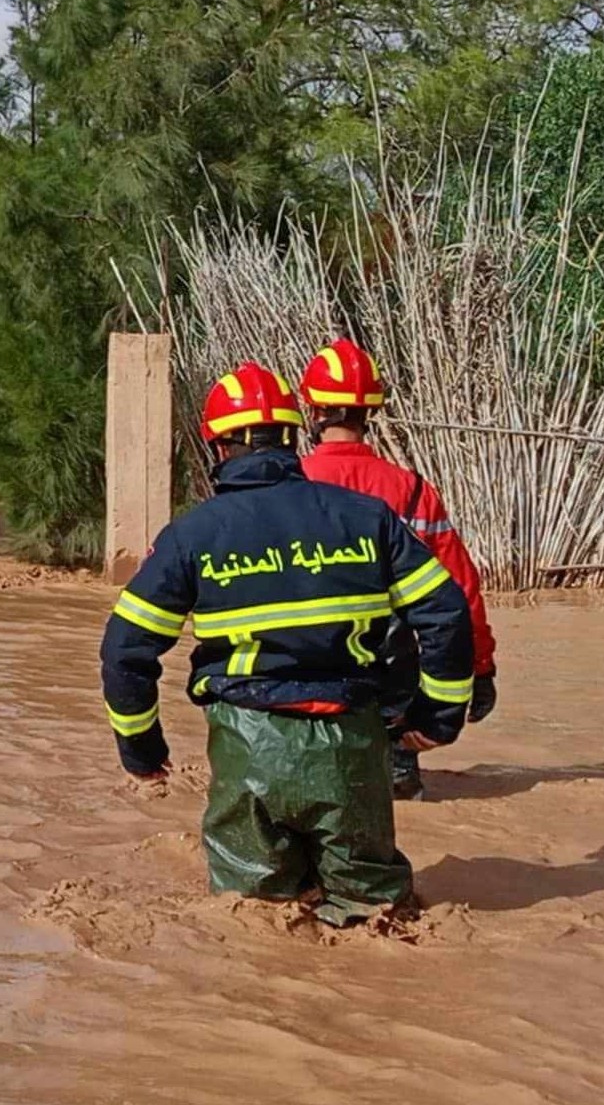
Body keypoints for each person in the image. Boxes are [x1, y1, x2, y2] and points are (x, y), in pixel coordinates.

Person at [100, 362, 474, 927]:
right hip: (352, 744)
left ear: (219, 447)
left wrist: (143, 752)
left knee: (251, 918)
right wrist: (437, 717)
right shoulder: (366, 519)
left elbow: (126, 651)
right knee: (376, 912)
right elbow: (447, 614)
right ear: (292, 438)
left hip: (249, 744)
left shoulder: (193, 536)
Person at [297, 339, 500, 801]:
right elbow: (459, 590)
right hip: (391, 676)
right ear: (370, 412)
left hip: (304, 674)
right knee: (396, 803)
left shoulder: (286, 486)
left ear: (314, 411)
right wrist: (480, 667)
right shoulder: (411, 491)